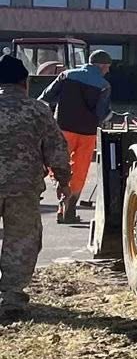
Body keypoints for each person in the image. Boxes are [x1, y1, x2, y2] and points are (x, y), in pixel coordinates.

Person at [0, 53, 74, 323]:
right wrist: (63, 182)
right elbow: (56, 149)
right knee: (21, 241)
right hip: (23, 187)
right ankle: (11, 299)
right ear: (25, 83)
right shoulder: (37, 110)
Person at [40, 50, 113, 224]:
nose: (108, 71)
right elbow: (101, 113)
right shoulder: (104, 85)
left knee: (58, 164)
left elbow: (45, 97)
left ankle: (61, 192)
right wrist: (110, 116)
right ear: (101, 66)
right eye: (107, 67)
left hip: (63, 129)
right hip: (87, 134)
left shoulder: (66, 76)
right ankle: (70, 210)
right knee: (80, 170)